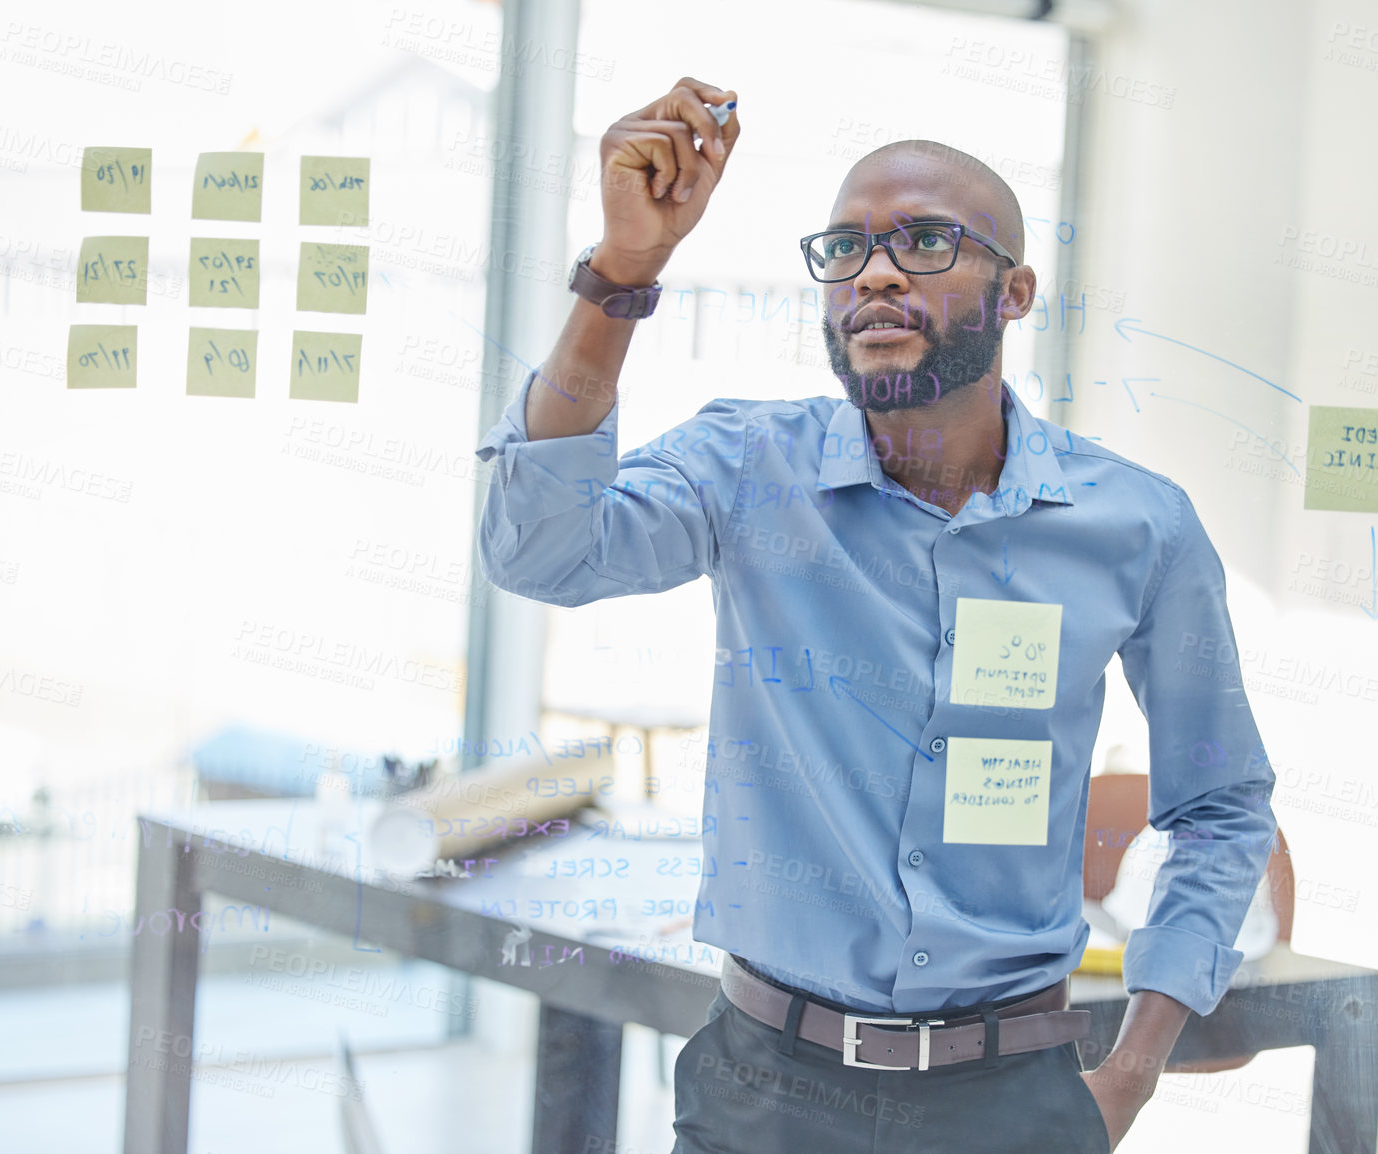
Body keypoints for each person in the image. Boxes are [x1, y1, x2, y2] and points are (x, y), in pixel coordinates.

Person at [475, 76, 1278, 1154]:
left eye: (929, 243)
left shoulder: (1137, 526)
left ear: (1017, 291)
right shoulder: (751, 467)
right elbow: (539, 548)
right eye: (846, 248)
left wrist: (1132, 1070)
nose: (879, 273)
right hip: (763, 1092)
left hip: (1012, 1098)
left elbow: (1224, 804)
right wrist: (622, 273)